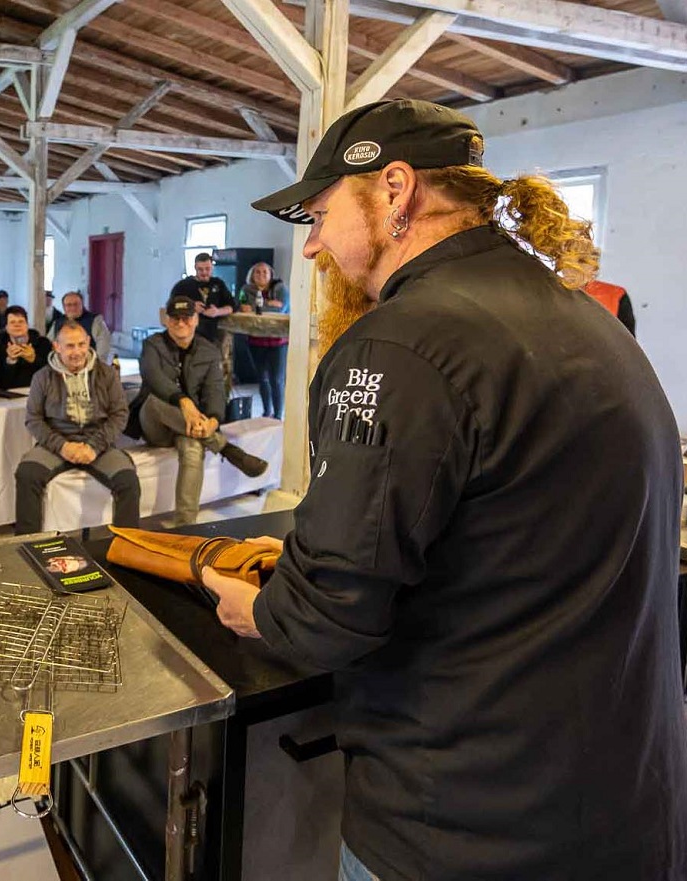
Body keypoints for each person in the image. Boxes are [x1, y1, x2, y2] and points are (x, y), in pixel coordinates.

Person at [200, 98, 687, 881]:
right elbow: (511, 539)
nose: (313, 245)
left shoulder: (398, 344)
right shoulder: (592, 324)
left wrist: (257, 607)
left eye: (320, 215)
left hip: (466, 828)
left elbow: (326, 617)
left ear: (395, 189)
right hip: (629, 815)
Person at [131, 294, 268, 526]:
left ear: (196, 319)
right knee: (154, 401)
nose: (181, 323)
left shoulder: (208, 350)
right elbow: (153, 377)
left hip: (191, 428)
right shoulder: (152, 345)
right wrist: (183, 402)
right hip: (155, 423)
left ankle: (185, 526)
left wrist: (213, 420)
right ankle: (226, 449)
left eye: (186, 318)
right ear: (166, 320)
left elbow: (215, 390)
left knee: (193, 449)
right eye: (175, 318)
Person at [14, 321, 139, 535]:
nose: (77, 352)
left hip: (98, 443)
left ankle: (127, 546)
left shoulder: (107, 374)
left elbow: (119, 415)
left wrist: (94, 447)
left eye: (81, 344)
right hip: (56, 443)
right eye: (70, 346)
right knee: (27, 474)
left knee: (128, 481)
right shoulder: (42, 377)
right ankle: (27, 544)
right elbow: (33, 419)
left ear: (89, 342)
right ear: (57, 347)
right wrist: (62, 446)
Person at [237, 262, 289, 419]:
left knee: (277, 380)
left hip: (278, 341)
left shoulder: (281, 289)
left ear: (271, 274)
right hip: (256, 341)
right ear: (252, 275)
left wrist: (256, 307)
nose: (261, 275)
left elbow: (281, 309)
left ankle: (278, 415)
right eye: (257, 272)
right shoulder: (246, 290)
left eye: (265, 272)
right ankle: (267, 412)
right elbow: (242, 307)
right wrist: (269, 304)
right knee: (263, 379)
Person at [169, 252, 236, 344]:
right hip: (188, 333)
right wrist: (191, 307)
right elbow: (171, 306)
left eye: (207, 269)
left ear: (212, 267)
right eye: (200, 269)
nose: (204, 273)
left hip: (212, 334)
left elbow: (232, 306)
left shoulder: (218, 284)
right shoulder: (182, 286)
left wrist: (217, 312)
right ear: (195, 268)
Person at [0, 306, 51, 391]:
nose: (17, 325)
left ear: (27, 325)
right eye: (12, 322)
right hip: (11, 394)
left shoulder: (43, 343)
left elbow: (51, 375)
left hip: (39, 391)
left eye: (21, 321)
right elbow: (1, 384)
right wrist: (11, 362)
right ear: (6, 328)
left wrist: (34, 359)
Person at [51, 291, 111, 364]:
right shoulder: (57, 322)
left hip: (89, 364)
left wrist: (98, 365)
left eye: (76, 304)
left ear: (82, 305)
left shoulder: (95, 320)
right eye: (69, 305)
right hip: (62, 364)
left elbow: (104, 344)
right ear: (64, 307)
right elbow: (50, 342)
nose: (73, 308)